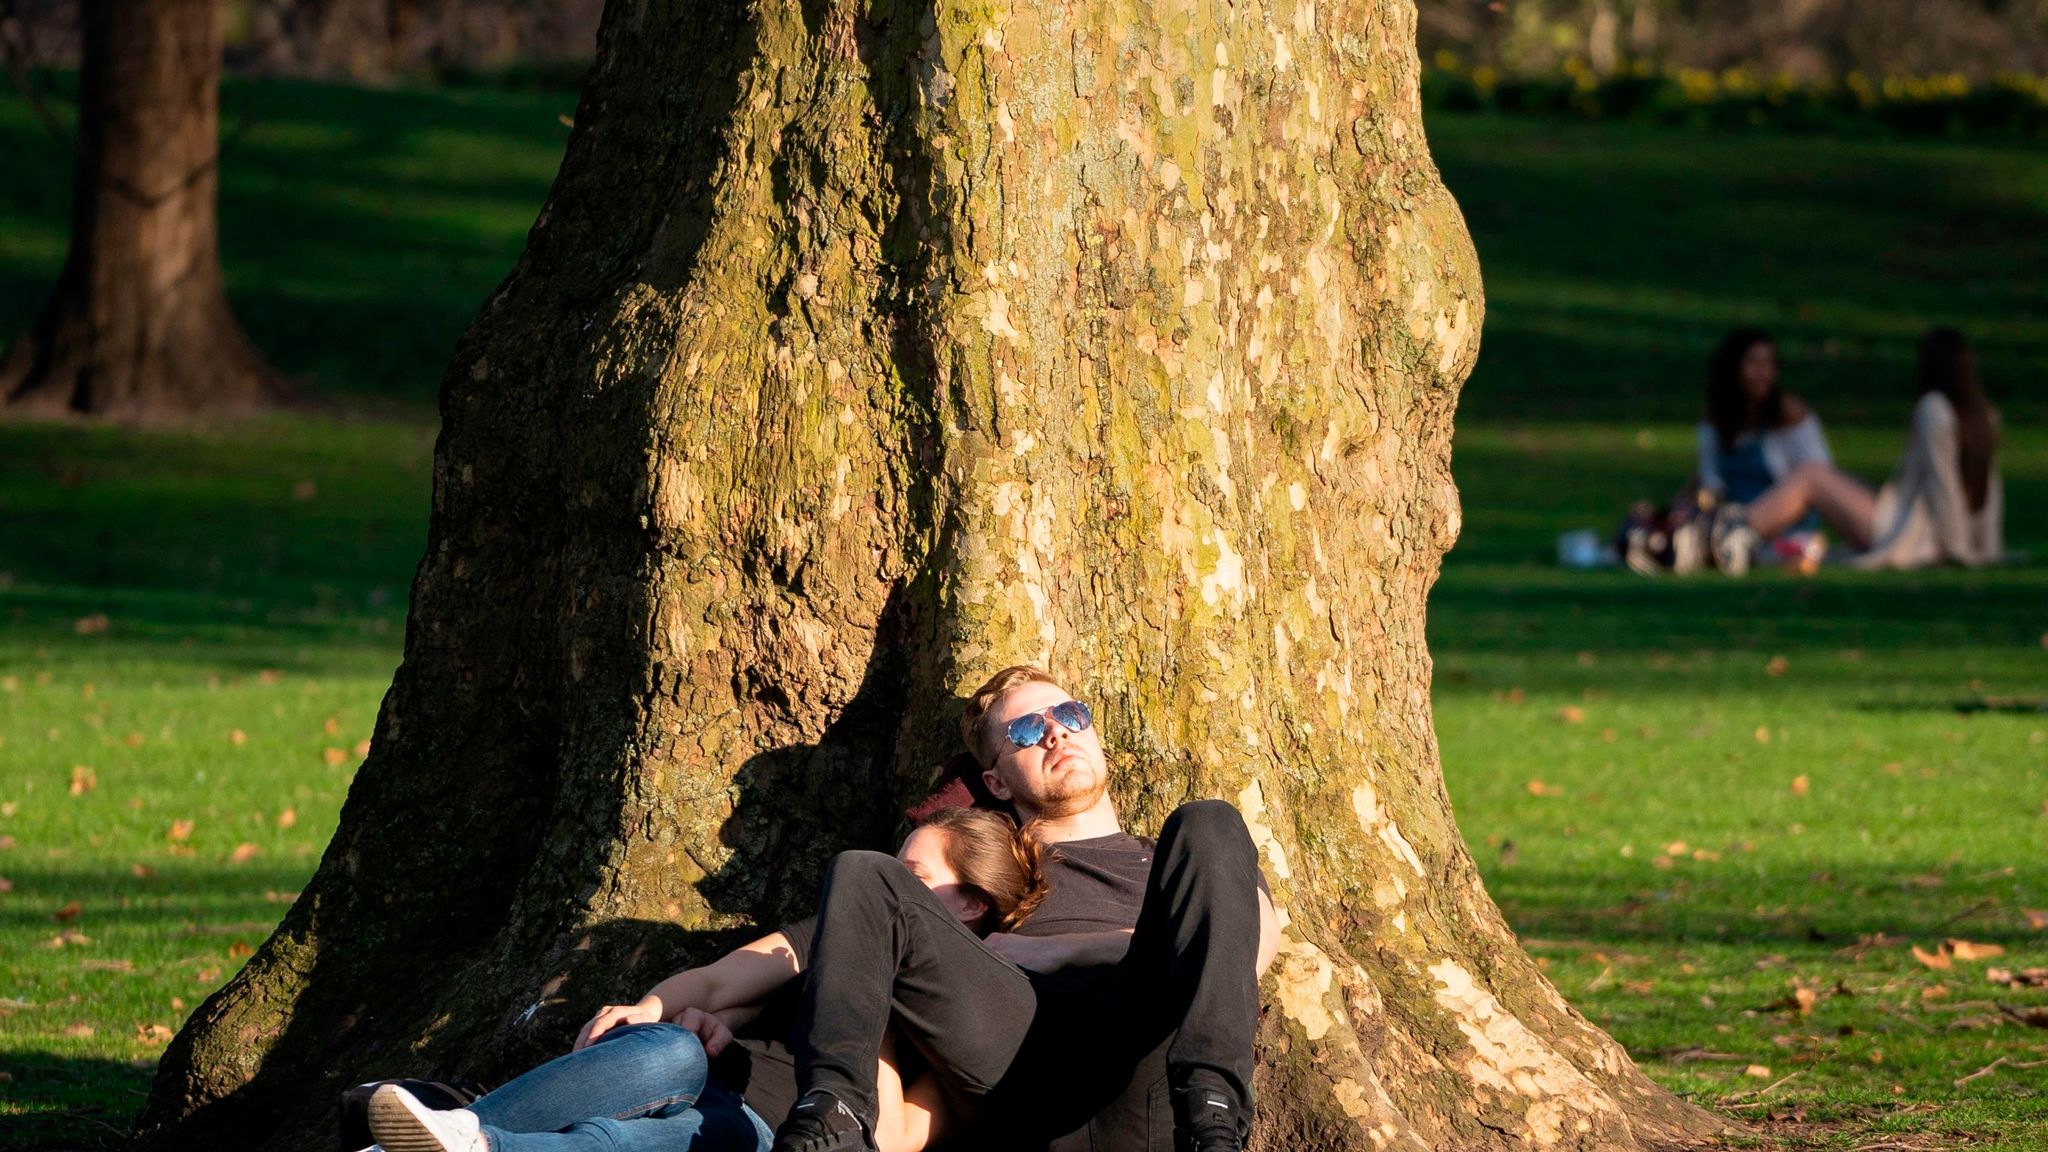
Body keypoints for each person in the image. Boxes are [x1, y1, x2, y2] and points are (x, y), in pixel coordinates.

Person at [769, 666, 1280, 1152]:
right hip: (1021, 1058)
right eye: (1028, 729)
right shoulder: (988, 869)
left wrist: (1066, 949)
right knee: (863, 868)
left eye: (1070, 714)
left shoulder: (1188, 853)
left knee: (1210, 817)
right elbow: (855, 925)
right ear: (995, 783)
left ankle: (1213, 1116)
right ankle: (831, 1123)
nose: (1055, 733)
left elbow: (1247, 949)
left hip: (1152, 1066)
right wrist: (714, 996)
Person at [361, 807, 1045, 1152]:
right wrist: (653, 1003)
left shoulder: (962, 1039)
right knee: (669, 1047)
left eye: (915, 878)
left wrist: (884, 1022)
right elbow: (718, 984)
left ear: (969, 904)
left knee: (647, 1140)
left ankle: (469, 1139)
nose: (893, 888)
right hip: (704, 1065)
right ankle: (453, 1133)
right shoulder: (842, 925)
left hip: (765, 1131)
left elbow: (889, 1142)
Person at [1730, 327, 2004, 569]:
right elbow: (1989, 489)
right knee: (1820, 476)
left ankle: (1727, 533)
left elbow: (1941, 484)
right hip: (1922, 523)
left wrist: (1958, 551)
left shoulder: (1934, 409)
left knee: (1809, 475)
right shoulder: (1985, 414)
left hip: (1904, 529)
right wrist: (1985, 545)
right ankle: (1731, 532)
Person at [1695, 327, 1835, 510]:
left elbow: (1822, 474)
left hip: (1784, 521)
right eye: (1752, 362)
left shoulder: (1788, 413)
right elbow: (1710, 476)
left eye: (1769, 363)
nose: (1763, 372)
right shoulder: (1716, 416)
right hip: (1733, 520)